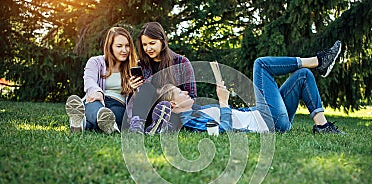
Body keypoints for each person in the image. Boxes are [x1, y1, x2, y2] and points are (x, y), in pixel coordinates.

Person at [155, 41, 345, 134]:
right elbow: (222, 131)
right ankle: (319, 60)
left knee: (303, 75)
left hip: (264, 116)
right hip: (267, 122)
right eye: (180, 92)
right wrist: (223, 102)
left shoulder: (198, 109)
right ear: (172, 104)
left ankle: (323, 126)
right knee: (260, 64)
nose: (186, 91)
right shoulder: (189, 120)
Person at [65, 26, 144, 134]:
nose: (124, 50)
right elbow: (89, 80)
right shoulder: (95, 62)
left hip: (118, 104)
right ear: (110, 47)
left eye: (127, 46)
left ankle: (81, 124)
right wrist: (97, 92)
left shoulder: (134, 66)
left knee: (115, 114)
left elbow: (141, 98)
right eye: (119, 46)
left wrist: (135, 89)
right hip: (97, 100)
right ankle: (110, 127)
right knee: (96, 108)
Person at [128, 22, 197, 134]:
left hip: (173, 111)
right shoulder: (142, 65)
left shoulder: (181, 62)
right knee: (146, 87)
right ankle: (138, 125)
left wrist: (175, 105)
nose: (148, 48)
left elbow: (192, 96)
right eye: (144, 45)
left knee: (172, 118)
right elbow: (137, 100)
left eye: (152, 43)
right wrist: (133, 89)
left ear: (162, 41)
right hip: (147, 111)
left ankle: (159, 127)